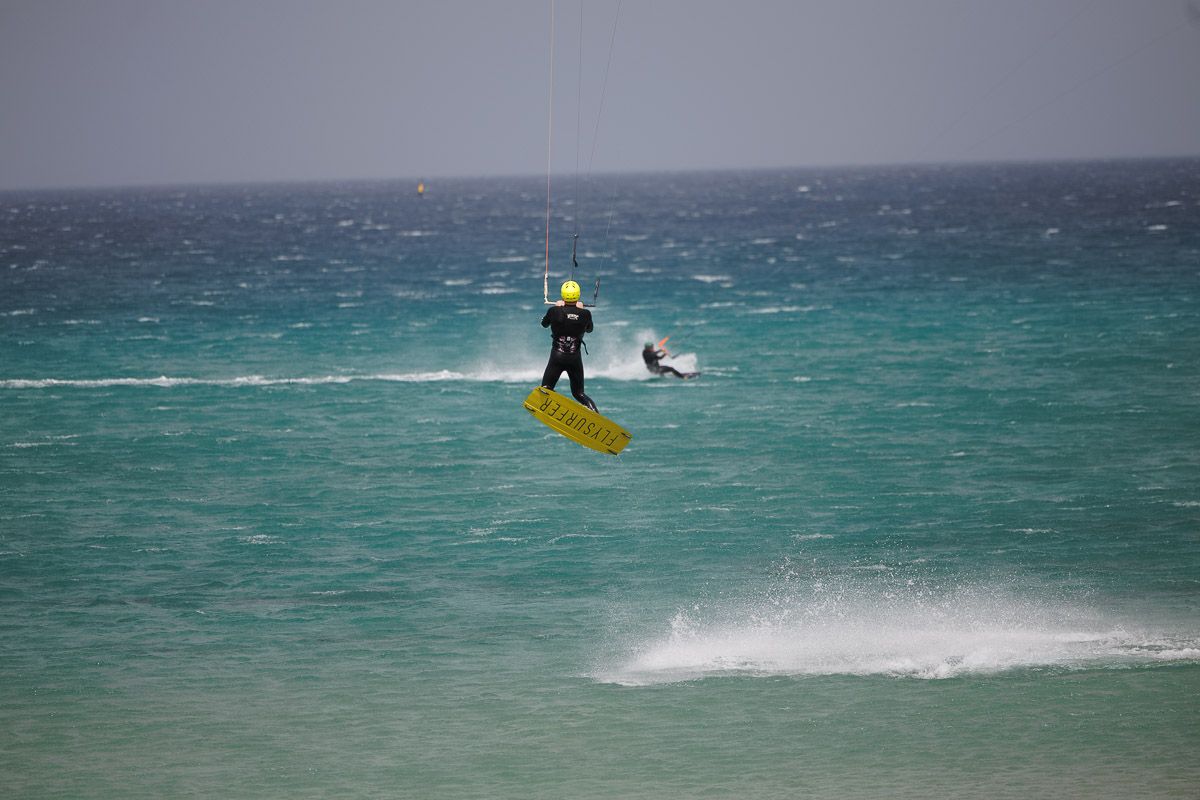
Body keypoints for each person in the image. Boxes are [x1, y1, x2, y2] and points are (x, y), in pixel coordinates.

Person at [541, 280, 597, 412]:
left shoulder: (554, 311)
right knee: (579, 394)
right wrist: (580, 310)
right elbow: (589, 329)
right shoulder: (585, 314)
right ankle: (597, 416)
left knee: (545, 389)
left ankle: (556, 411)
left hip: (557, 356)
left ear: (562, 295)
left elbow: (544, 324)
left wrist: (559, 308)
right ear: (578, 295)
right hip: (574, 358)